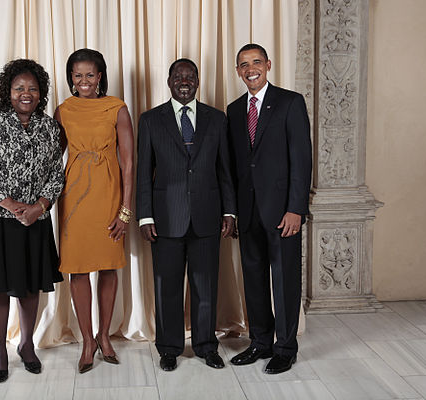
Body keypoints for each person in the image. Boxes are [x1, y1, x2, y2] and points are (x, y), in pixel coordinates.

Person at [0, 59, 65, 383]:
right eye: (19, 88)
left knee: (30, 284)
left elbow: (57, 174)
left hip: (33, 219)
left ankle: (26, 344)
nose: (27, 94)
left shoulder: (49, 127)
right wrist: (10, 205)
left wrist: (39, 206)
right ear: (7, 91)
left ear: (41, 93)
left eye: (33, 88)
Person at [136, 58, 236, 371]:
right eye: (178, 76)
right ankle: (168, 348)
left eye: (190, 76)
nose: (184, 80)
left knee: (205, 285)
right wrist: (145, 216)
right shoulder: (151, 119)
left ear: (197, 81)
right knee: (167, 285)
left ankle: (207, 346)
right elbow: (143, 173)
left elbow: (225, 171)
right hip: (165, 218)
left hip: (207, 216)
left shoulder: (216, 119)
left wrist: (230, 210)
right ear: (168, 81)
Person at [227, 44, 312, 374]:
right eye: (244, 65)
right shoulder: (234, 110)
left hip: (283, 213)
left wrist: (296, 208)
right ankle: (260, 342)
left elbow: (301, 161)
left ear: (268, 65)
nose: (251, 69)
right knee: (254, 281)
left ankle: (285, 347)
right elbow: (235, 167)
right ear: (238, 72)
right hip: (248, 213)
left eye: (256, 62)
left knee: (285, 281)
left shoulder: (290, 103)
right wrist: (232, 212)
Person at [55, 48, 134, 374]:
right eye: (77, 75)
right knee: (78, 268)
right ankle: (87, 339)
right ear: (71, 78)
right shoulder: (63, 110)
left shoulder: (117, 108)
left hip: (108, 196)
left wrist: (125, 211)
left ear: (100, 76)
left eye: (90, 74)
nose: (84, 80)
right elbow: (50, 159)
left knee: (107, 266)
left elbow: (129, 163)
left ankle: (104, 335)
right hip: (74, 199)